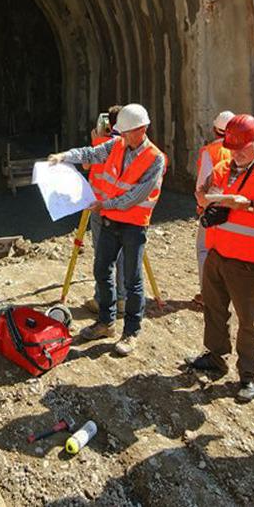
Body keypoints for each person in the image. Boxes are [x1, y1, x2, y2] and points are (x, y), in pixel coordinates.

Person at [186, 114, 254, 402]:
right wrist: (204, 198)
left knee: (249, 321)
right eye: (232, 147)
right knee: (214, 309)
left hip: (249, 262)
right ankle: (215, 356)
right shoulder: (223, 167)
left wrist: (248, 205)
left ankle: (249, 375)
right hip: (218, 254)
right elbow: (203, 191)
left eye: (243, 147)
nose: (236, 153)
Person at [48, 103, 167, 356]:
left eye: (127, 132)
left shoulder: (155, 159)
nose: (122, 136)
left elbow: (136, 195)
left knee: (132, 281)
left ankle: (131, 332)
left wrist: (105, 204)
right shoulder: (117, 145)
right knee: (102, 270)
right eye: (120, 132)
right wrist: (64, 156)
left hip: (133, 225)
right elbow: (90, 155)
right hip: (109, 221)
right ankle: (106, 322)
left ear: (143, 129)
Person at [85, 105, 126, 315]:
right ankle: (122, 300)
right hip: (124, 208)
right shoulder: (134, 146)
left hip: (100, 207)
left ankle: (102, 300)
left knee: (103, 256)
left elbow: (85, 164)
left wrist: (96, 139)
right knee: (122, 254)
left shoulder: (101, 144)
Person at [193, 111, 235, 305]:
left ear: (214, 130)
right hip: (235, 207)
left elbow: (203, 182)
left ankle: (207, 294)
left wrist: (201, 204)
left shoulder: (210, 151)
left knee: (204, 249)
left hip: (213, 207)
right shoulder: (244, 150)